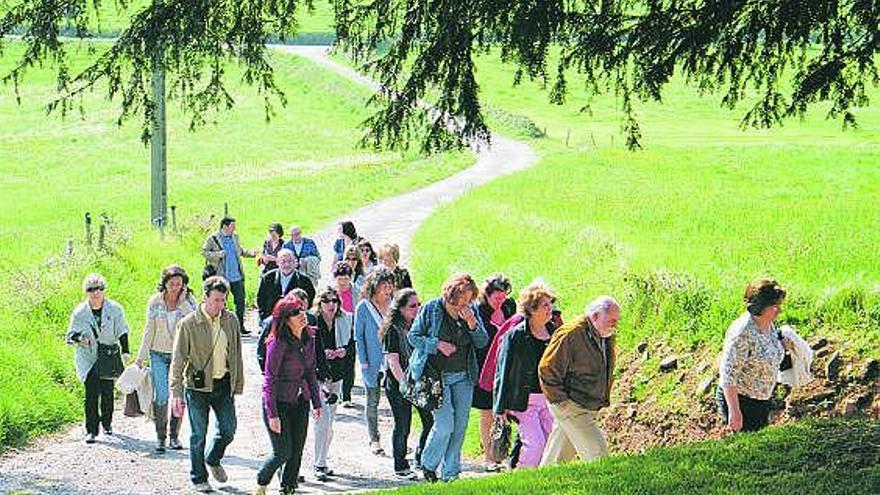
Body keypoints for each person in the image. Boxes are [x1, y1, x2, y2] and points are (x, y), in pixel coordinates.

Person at [408, 272, 489, 482]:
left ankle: (451, 473)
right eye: (461, 298)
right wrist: (437, 345)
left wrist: (472, 322)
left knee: (460, 426)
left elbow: (482, 342)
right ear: (451, 294)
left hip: (463, 376)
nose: (465, 302)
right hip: (437, 377)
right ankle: (428, 464)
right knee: (445, 425)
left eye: (469, 298)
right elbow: (413, 337)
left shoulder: (471, 312)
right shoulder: (432, 308)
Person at [170, 276, 244, 493]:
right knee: (198, 434)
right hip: (197, 388)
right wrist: (176, 393)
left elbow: (237, 353)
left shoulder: (230, 320)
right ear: (205, 298)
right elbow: (178, 361)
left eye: (223, 300)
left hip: (223, 385)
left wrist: (237, 383)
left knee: (228, 430)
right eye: (216, 300)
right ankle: (198, 477)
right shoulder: (188, 324)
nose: (219, 305)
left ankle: (213, 458)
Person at [539, 296, 620, 466]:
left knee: (557, 459)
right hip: (573, 405)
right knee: (598, 453)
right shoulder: (571, 334)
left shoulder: (605, 334)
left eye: (617, 321)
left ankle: (540, 486)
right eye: (612, 320)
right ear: (596, 316)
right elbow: (547, 369)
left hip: (584, 404)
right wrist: (562, 402)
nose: (615, 325)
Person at [255, 299, 322, 495]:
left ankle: (288, 488)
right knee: (283, 451)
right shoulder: (277, 343)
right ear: (285, 320)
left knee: (297, 451)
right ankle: (262, 479)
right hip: (278, 403)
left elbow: (310, 371)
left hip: (300, 401)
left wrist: (316, 402)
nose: (302, 315)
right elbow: (269, 380)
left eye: (301, 310)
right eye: (295, 313)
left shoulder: (309, 337)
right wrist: (272, 414)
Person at [494, 281, 556, 468]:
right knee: (535, 445)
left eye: (550, 303)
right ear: (532, 309)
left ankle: (541, 479)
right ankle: (523, 476)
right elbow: (502, 371)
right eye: (545, 305)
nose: (550, 308)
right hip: (523, 400)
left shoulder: (554, 333)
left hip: (549, 399)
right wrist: (500, 407)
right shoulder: (515, 336)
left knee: (552, 442)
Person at [135, 265, 197, 453]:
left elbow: (195, 323)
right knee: (161, 395)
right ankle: (160, 437)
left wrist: (184, 300)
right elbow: (149, 329)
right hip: (158, 353)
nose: (175, 287)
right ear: (165, 283)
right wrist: (140, 357)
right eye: (172, 284)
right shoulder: (155, 302)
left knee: (179, 396)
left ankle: (174, 435)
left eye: (179, 284)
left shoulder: (189, 301)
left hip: (181, 356)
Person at [716, 278, 790, 433]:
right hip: (742, 402)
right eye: (774, 306)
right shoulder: (741, 333)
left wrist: (782, 346)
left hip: (762, 399)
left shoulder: (768, 323)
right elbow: (728, 375)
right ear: (760, 307)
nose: (779, 310)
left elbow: (766, 349)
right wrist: (735, 413)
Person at [66, 273, 131, 444]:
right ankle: (91, 430)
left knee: (107, 391)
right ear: (86, 292)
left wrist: (125, 351)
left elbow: (122, 330)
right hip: (88, 357)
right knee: (91, 393)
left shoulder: (115, 309)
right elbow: (70, 335)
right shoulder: (80, 312)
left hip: (108, 355)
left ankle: (107, 423)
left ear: (104, 291)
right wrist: (81, 338)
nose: (95, 293)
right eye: (91, 289)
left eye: (99, 289)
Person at [381, 288, 434, 478]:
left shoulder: (420, 326)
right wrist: (406, 384)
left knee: (430, 420)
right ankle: (400, 466)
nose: (417, 308)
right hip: (398, 384)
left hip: (419, 382)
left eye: (419, 305)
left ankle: (420, 457)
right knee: (403, 424)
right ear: (401, 308)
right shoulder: (392, 330)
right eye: (412, 306)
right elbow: (393, 361)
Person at [473, 274, 516, 470]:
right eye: (496, 297)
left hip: (507, 367)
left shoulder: (509, 307)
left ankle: (502, 453)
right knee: (487, 413)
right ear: (487, 295)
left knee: (505, 412)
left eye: (503, 296)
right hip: (485, 368)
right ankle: (489, 458)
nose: (500, 300)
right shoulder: (479, 311)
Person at [312, 287, 354, 481]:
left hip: (336, 375)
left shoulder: (344, 320)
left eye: (334, 301)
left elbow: (353, 346)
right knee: (323, 420)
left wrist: (343, 351)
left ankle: (322, 461)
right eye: (326, 301)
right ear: (319, 304)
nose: (331, 305)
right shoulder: (313, 322)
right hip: (317, 377)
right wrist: (323, 355)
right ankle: (318, 464)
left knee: (329, 423)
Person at [354, 267, 396, 455]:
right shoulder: (363, 307)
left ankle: (399, 438)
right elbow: (359, 337)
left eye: (390, 285)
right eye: (384, 285)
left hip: (393, 360)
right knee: (373, 400)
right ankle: (374, 438)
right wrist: (363, 362)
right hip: (371, 361)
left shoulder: (395, 304)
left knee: (397, 401)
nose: (387, 289)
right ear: (374, 286)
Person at [201, 216, 257, 333]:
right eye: (232, 226)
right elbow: (204, 252)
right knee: (221, 303)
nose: (234, 229)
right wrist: (218, 254)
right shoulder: (213, 238)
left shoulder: (235, 237)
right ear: (225, 226)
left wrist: (252, 253)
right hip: (222, 277)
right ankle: (221, 327)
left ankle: (240, 326)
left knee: (240, 302)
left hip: (237, 276)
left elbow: (239, 251)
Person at [257, 248, 316, 320]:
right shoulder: (267, 278)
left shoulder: (304, 281)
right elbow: (261, 299)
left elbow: (310, 300)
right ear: (277, 262)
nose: (287, 264)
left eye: (290, 261)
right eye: (283, 261)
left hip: (295, 321)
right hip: (272, 319)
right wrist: (264, 317)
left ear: (295, 262)